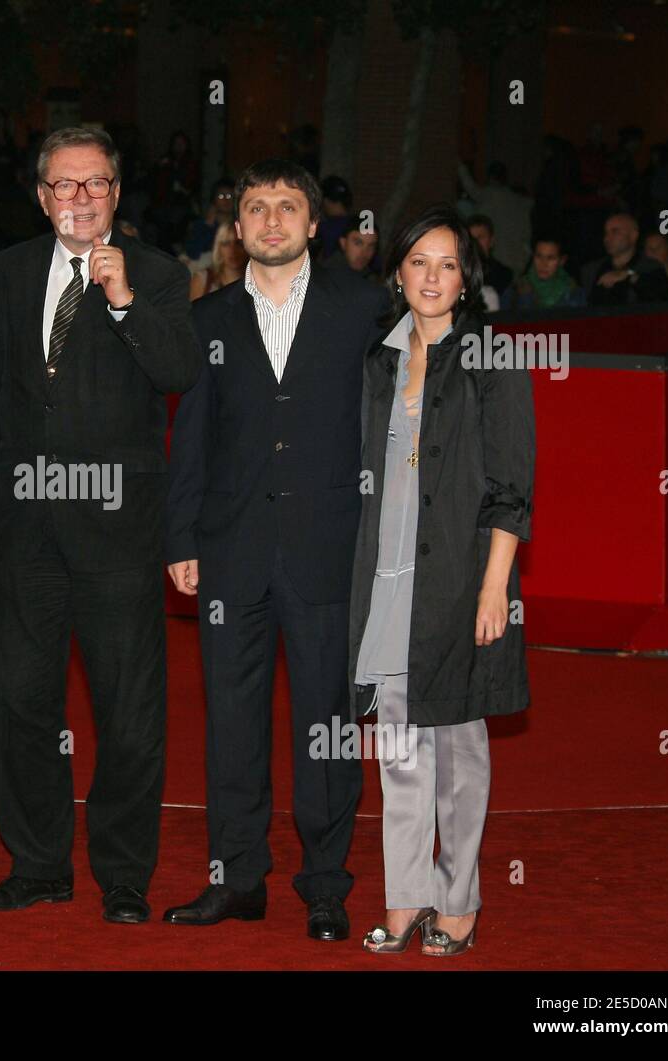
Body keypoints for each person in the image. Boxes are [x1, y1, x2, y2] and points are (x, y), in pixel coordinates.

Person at [0, 126, 200, 924]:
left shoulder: (161, 274)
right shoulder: (4, 272)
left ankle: (124, 875)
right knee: (16, 701)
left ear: (114, 193)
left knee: (129, 714)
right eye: (64, 186)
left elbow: (179, 372)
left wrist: (124, 300)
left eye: (95, 184)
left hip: (117, 526)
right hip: (26, 528)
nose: (79, 198)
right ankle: (38, 863)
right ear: (42, 197)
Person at [164, 159, 385, 940]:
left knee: (326, 723)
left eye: (286, 207)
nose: (269, 221)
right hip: (231, 551)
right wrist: (181, 535)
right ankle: (238, 878)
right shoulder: (209, 318)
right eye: (255, 207)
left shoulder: (363, 308)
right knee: (231, 722)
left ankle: (325, 884)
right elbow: (191, 437)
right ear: (238, 225)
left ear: (314, 223)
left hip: (331, 548)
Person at [352, 205, 533, 956]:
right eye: (417, 261)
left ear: (466, 278)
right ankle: (406, 896)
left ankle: (457, 901)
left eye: (447, 263)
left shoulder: (493, 357)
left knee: (458, 747)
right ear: (397, 271)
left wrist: (496, 589)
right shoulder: (379, 360)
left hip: (460, 580)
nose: (431, 276)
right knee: (397, 750)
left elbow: (512, 487)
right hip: (384, 578)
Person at [580, 213, 668, 305]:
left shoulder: (650, 267)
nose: (607, 238)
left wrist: (630, 276)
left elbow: (664, 294)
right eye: (606, 233)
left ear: (633, 235)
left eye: (615, 231)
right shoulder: (592, 270)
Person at [457, 161, 532, 275]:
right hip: (517, 263)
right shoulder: (521, 202)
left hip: (497, 262)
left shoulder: (489, 194)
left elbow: (470, 187)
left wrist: (459, 164)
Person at [501, 236, 585, 310]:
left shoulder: (574, 293)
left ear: (562, 261)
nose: (543, 264)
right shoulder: (514, 292)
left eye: (550, 258)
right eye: (538, 256)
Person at [188, 220, 247, 299]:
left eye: (238, 243)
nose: (232, 249)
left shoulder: (258, 282)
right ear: (218, 248)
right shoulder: (203, 280)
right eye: (226, 243)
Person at [465, 214, 513, 297]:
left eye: (480, 237)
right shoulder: (460, 272)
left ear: (491, 241)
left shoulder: (504, 274)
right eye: (471, 238)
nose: (475, 242)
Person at [324, 214, 380, 281]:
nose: (364, 253)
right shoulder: (327, 276)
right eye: (358, 243)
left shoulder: (370, 279)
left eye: (371, 246)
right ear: (343, 243)